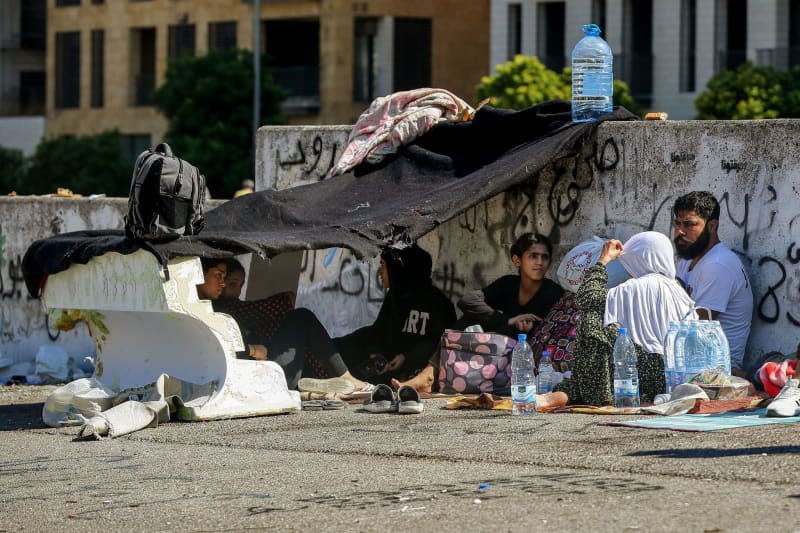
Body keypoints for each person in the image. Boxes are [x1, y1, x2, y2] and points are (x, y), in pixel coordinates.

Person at [394, 232, 563, 393]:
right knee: (468, 320)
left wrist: (531, 325)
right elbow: (467, 301)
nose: (540, 262)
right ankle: (429, 375)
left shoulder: (552, 292)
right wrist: (510, 320)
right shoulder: (509, 283)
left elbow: (556, 328)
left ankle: (431, 377)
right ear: (517, 260)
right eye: (533, 256)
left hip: (527, 357)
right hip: (500, 347)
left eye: (545, 257)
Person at [545, 232, 698, 407]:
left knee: (592, 319)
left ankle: (597, 396)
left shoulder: (639, 286)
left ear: (641, 258)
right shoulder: (678, 291)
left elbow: (587, 297)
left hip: (646, 375)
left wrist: (603, 260)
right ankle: (568, 392)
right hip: (669, 379)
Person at [196, 257, 370, 392]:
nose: (223, 283)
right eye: (219, 276)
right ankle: (345, 378)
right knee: (301, 317)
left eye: (225, 278)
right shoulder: (215, 308)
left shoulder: (218, 306)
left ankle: (317, 386)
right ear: (198, 273)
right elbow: (221, 348)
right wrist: (253, 349)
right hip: (262, 377)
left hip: (266, 370)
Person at [335, 243, 457, 386]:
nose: (380, 272)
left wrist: (406, 357)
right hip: (390, 364)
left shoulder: (438, 304)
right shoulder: (396, 296)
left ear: (399, 269)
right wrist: (376, 353)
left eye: (383, 265)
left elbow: (437, 344)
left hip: (414, 370)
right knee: (341, 346)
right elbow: (379, 331)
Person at [672, 191, 754, 378]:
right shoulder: (688, 258)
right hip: (689, 361)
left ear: (712, 226)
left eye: (690, 224)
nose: (680, 231)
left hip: (717, 370)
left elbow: (696, 330)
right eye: (678, 223)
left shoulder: (718, 265)